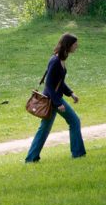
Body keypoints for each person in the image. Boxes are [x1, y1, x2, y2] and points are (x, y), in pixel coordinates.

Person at [24, 33, 86, 163]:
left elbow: (59, 82)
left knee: (44, 129)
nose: (77, 46)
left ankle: (31, 158)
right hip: (52, 100)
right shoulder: (55, 61)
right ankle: (78, 153)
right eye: (75, 44)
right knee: (74, 121)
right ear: (68, 45)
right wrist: (58, 103)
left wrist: (71, 93)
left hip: (53, 99)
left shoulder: (61, 60)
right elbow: (49, 84)